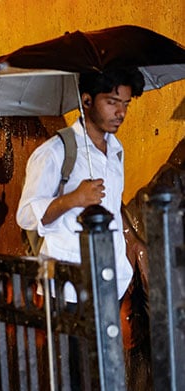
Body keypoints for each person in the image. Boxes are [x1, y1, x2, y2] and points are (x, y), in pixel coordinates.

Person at [16, 67, 146, 303]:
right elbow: (25, 216)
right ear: (86, 100)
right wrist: (74, 199)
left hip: (112, 279)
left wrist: (131, 243)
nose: (121, 113)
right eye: (112, 102)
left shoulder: (116, 150)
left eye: (126, 104)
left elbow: (114, 205)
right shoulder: (55, 152)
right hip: (68, 287)